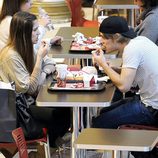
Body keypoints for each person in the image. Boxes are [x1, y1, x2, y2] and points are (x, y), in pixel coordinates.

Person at [0, 11, 70, 148]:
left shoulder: (26, 47)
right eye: (35, 30)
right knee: (58, 114)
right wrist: (39, 59)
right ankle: (51, 145)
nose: (39, 33)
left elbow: (50, 64)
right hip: (18, 110)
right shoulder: (11, 56)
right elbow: (30, 88)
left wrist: (41, 72)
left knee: (66, 107)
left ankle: (55, 142)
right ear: (24, 33)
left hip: (29, 100)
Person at [91, 16, 158, 157]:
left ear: (116, 37)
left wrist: (103, 63)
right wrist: (113, 69)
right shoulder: (139, 41)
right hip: (149, 101)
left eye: (103, 37)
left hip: (152, 108)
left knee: (100, 122)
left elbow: (124, 86)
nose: (101, 41)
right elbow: (131, 76)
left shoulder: (131, 49)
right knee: (103, 113)